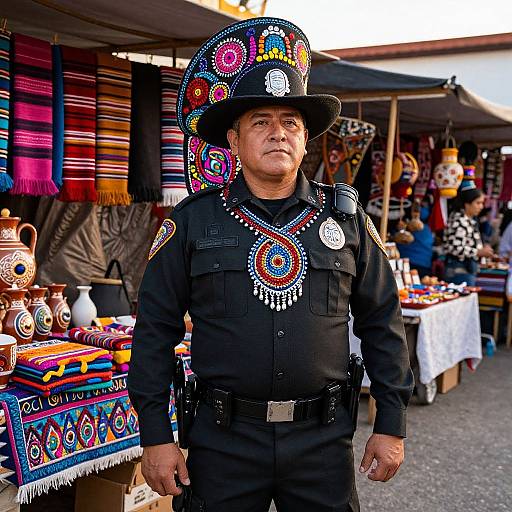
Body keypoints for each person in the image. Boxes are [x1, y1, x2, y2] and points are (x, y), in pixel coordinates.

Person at [128, 17, 413, 512]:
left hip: (322, 446)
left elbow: (382, 322)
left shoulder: (346, 220)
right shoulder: (191, 222)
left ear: (306, 141)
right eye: (260, 122)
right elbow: (154, 330)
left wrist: (391, 422)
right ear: (234, 142)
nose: (277, 134)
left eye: (291, 124)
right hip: (222, 444)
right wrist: (156, 434)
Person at [443, 186, 494, 285]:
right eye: (478, 203)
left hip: (466, 268)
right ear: (467, 204)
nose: (481, 206)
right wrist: (479, 252)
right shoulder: (459, 220)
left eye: (482, 203)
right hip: (458, 270)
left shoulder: (469, 220)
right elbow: (455, 248)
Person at [396, 203, 434, 278]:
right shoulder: (427, 229)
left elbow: (398, 240)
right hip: (424, 265)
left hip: (408, 264)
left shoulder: (407, 227)